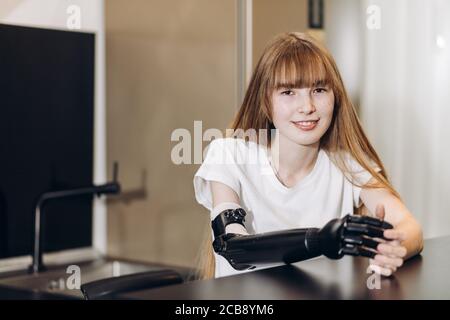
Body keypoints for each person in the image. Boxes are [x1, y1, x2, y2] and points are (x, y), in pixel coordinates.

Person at [193, 32, 423, 280]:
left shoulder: (348, 166)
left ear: (335, 98)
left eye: (319, 89)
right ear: (265, 102)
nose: (307, 106)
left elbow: (411, 228)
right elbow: (233, 247)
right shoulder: (229, 155)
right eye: (288, 92)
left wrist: (394, 249)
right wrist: (320, 240)